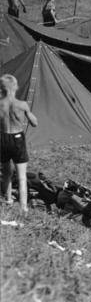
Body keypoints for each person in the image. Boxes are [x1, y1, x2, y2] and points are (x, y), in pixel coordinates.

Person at [1, 74, 38, 214]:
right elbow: (34, 123)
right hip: (17, 139)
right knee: (21, 176)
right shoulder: (22, 105)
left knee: (6, 173)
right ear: (16, 87)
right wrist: (27, 112)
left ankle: (8, 200)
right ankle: (23, 207)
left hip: (3, 138)